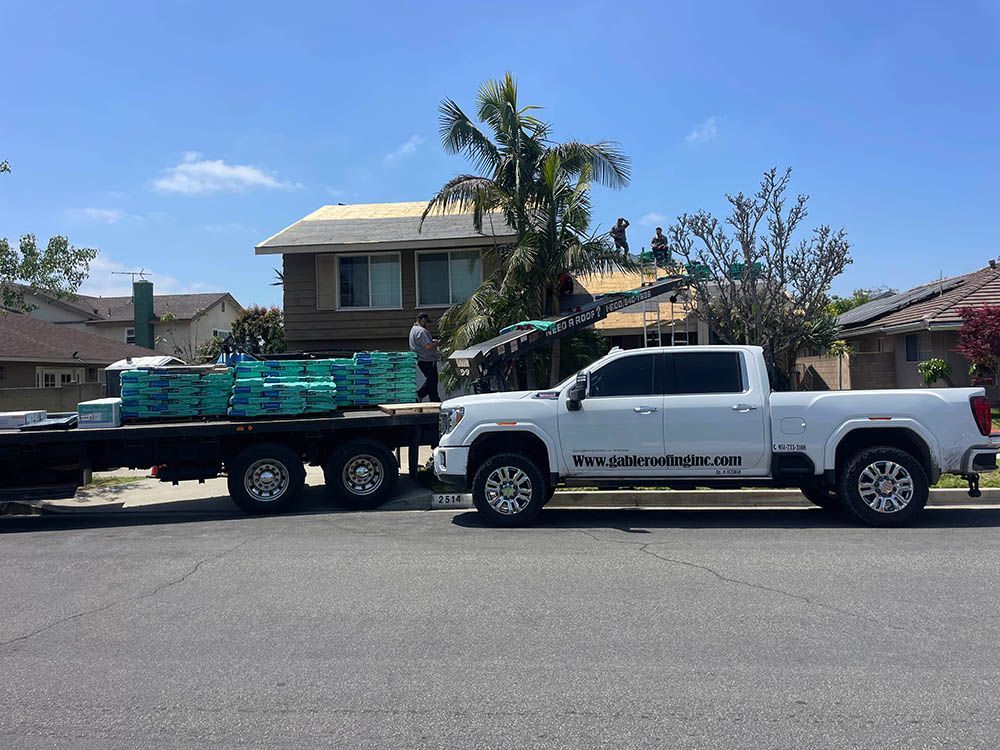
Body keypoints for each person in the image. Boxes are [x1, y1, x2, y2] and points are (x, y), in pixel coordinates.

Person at [409, 313, 441, 402]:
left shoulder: (413, 329)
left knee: (431, 380)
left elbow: (423, 343)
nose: (427, 324)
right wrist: (436, 343)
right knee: (433, 381)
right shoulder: (422, 331)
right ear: (423, 320)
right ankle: (424, 396)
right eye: (426, 322)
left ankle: (429, 398)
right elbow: (428, 346)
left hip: (420, 359)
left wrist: (431, 342)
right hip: (427, 360)